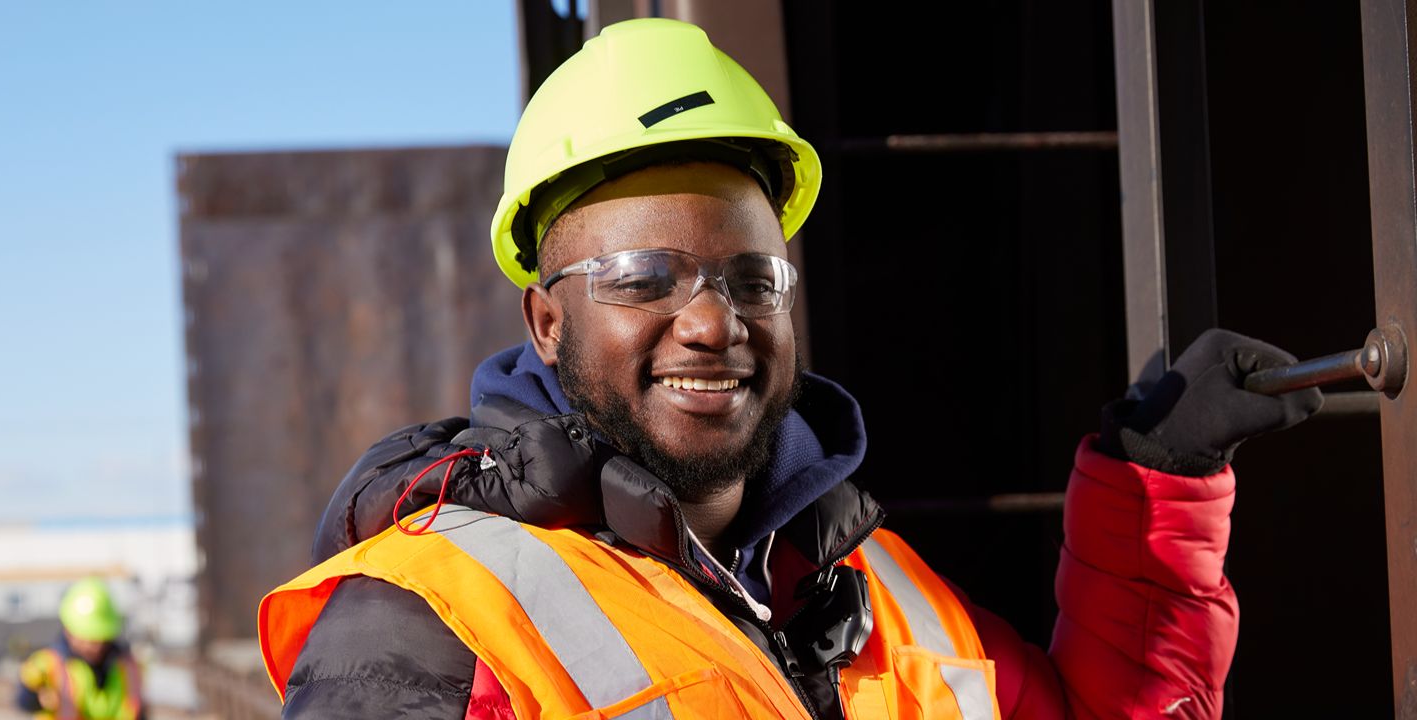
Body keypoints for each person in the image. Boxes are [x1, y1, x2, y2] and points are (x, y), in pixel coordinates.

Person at [256, 17, 1323, 720]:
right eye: (644, 277)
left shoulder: (888, 592)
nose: (714, 322)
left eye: (752, 279)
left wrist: (1155, 491)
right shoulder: (427, 621)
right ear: (546, 320)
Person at [18, 578, 145, 720]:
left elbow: (138, 710)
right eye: (86, 638)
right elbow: (23, 700)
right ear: (68, 631)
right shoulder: (47, 664)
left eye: (98, 638)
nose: (93, 646)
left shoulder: (128, 667)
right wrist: (37, 698)